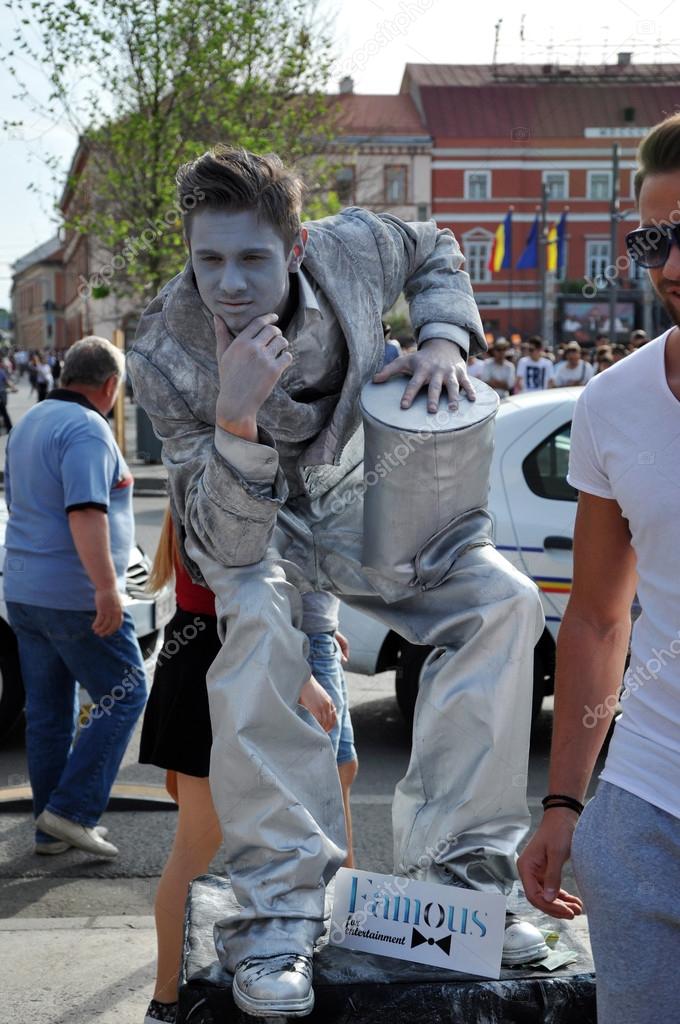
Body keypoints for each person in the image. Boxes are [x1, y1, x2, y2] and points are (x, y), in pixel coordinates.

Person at [128, 147, 544, 1018]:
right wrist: (236, 417)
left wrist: (441, 337)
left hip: (374, 496)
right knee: (254, 619)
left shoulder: (356, 246)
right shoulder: (163, 351)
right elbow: (218, 544)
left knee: (505, 602)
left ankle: (465, 881)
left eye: (251, 258)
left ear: (298, 247)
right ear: (189, 253)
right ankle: (279, 912)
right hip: (258, 526)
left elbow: (437, 246)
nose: (229, 284)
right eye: (209, 260)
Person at [518, 111, 680, 1024]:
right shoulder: (614, 402)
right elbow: (596, 616)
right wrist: (566, 802)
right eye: (654, 238)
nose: (671, 266)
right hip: (644, 815)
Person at [140, 510, 358, 1024]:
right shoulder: (229, 468)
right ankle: (165, 1001)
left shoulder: (248, 463)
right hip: (228, 657)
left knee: (332, 814)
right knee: (197, 845)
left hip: (252, 652)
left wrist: (318, 633)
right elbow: (240, 591)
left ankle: (333, 984)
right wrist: (298, 665)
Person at [3, 336, 147, 858]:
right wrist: (107, 589)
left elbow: (21, 503)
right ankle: (72, 811)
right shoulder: (88, 428)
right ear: (111, 386)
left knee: (48, 714)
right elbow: (85, 510)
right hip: (73, 594)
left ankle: (50, 829)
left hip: (23, 590)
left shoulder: (29, 422)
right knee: (127, 692)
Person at [0, 359, 16, 432]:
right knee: (4, 412)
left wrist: (13, 387)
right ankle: (9, 428)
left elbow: (7, 381)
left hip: (2, 393)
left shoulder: (1, 371)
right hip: (1, 394)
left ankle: (8, 427)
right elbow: (7, 381)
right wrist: (13, 388)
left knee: (3, 411)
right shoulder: (1, 371)